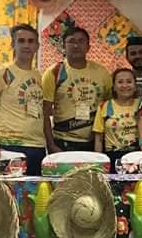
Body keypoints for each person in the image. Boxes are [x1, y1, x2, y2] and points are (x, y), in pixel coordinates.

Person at [42, 22, 112, 153]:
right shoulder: (54, 72)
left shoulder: (102, 72)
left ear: (88, 47)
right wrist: (51, 145)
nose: (76, 45)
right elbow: (44, 113)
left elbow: (111, 107)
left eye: (81, 41)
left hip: (95, 143)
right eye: (71, 41)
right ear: (63, 46)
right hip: (62, 142)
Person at [0, 24, 45, 175]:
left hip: (38, 147)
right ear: (13, 44)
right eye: (21, 41)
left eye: (31, 41)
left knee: (36, 190)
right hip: (11, 147)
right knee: (11, 191)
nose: (26, 45)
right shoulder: (3, 74)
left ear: (37, 46)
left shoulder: (39, 76)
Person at [93, 68, 140, 170]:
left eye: (129, 81)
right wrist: (99, 165)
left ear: (135, 86)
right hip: (113, 158)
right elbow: (99, 139)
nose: (125, 85)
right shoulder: (104, 107)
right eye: (120, 82)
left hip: (138, 157)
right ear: (114, 87)